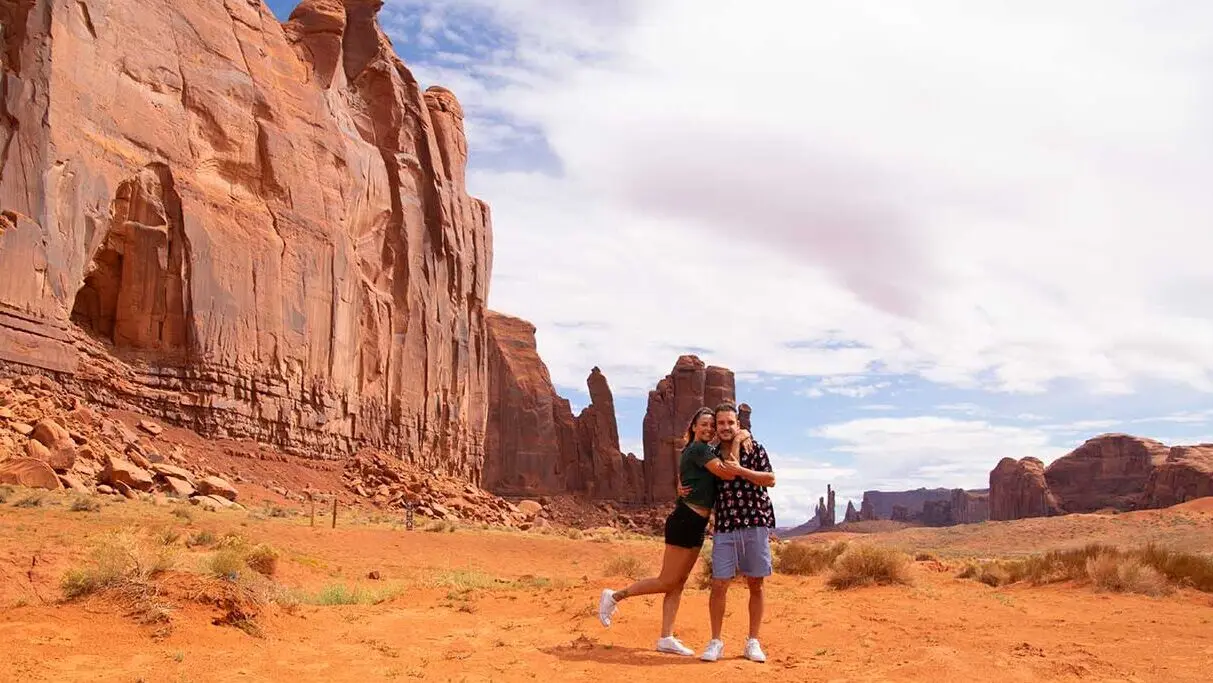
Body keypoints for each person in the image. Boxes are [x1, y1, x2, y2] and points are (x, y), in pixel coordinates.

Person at [596, 406, 751, 656]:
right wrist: (740, 438)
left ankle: (666, 638)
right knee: (667, 580)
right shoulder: (700, 449)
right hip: (685, 520)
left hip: (697, 524)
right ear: (693, 427)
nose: (709, 429)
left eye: (712, 426)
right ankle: (614, 597)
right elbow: (727, 473)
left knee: (677, 584)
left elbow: (697, 478)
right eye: (704, 424)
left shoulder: (705, 451)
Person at [700, 401, 776, 663]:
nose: (725, 427)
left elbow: (771, 479)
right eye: (720, 423)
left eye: (730, 422)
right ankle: (716, 641)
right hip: (725, 526)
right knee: (719, 583)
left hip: (755, 522)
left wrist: (743, 470)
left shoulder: (753, 448)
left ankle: (753, 641)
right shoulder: (709, 454)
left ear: (738, 424)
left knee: (756, 582)